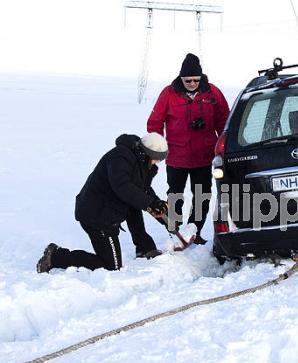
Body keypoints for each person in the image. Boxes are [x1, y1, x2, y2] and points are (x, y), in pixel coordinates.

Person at [36, 133, 169, 273]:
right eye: (156, 158)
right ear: (145, 153)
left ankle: (144, 248)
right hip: (97, 215)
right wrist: (150, 203)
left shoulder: (142, 162)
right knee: (111, 266)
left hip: (110, 209)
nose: (157, 162)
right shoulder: (120, 157)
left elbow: (142, 189)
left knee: (134, 206)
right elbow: (123, 187)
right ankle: (56, 257)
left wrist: (156, 203)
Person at [147, 53, 230, 244]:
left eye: (195, 80)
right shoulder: (168, 93)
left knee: (202, 195)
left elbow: (224, 120)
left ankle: (195, 231)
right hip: (177, 156)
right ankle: (175, 231)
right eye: (188, 80)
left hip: (203, 156)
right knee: (175, 195)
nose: (192, 83)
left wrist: (223, 146)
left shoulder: (213, 93)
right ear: (181, 78)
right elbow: (154, 123)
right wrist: (158, 148)